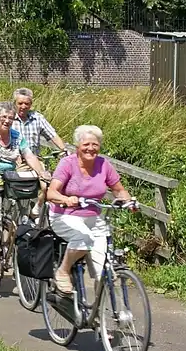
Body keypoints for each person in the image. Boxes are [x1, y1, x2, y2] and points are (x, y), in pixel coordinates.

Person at [0, 101, 50, 290]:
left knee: (22, 218)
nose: (7, 121)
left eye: (10, 118)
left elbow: (29, 156)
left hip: (11, 180)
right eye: (3, 117)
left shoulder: (16, 135)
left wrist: (41, 173)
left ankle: (13, 246)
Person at [46, 125, 134, 294]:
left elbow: (118, 189)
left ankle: (99, 312)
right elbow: (51, 192)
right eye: (86, 144)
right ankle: (63, 271)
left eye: (95, 144)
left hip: (94, 217)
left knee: (103, 270)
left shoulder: (103, 164)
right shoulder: (67, 163)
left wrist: (128, 201)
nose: (91, 148)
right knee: (83, 239)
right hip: (65, 216)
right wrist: (66, 199)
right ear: (78, 146)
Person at [12, 87, 68, 218]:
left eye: (27, 103)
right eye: (20, 103)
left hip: (36, 159)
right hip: (17, 160)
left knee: (47, 185)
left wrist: (63, 149)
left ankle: (36, 209)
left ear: (31, 104)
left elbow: (52, 134)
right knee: (22, 188)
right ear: (15, 103)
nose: (23, 106)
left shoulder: (37, 118)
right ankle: (21, 214)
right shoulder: (9, 119)